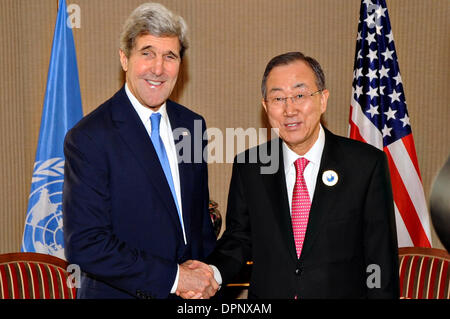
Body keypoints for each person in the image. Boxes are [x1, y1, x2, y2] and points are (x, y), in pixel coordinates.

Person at [206, 52, 400, 299]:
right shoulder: (250, 167)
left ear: (323, 100)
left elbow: (380, 260)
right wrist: (212, 272)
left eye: (300, 95)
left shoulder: (365, 165)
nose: (289, 109)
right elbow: (240, 239)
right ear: (266, 107)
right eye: (278, 98)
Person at [63, 2, 218, 299]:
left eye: (169, 56)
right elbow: (87, 244)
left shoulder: (192, 125)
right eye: (147, 53)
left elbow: (198, 225)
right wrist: (176, 279)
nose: (158, 68)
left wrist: (207, 280)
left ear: (180, 65)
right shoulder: (89, 138)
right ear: (124, 59)